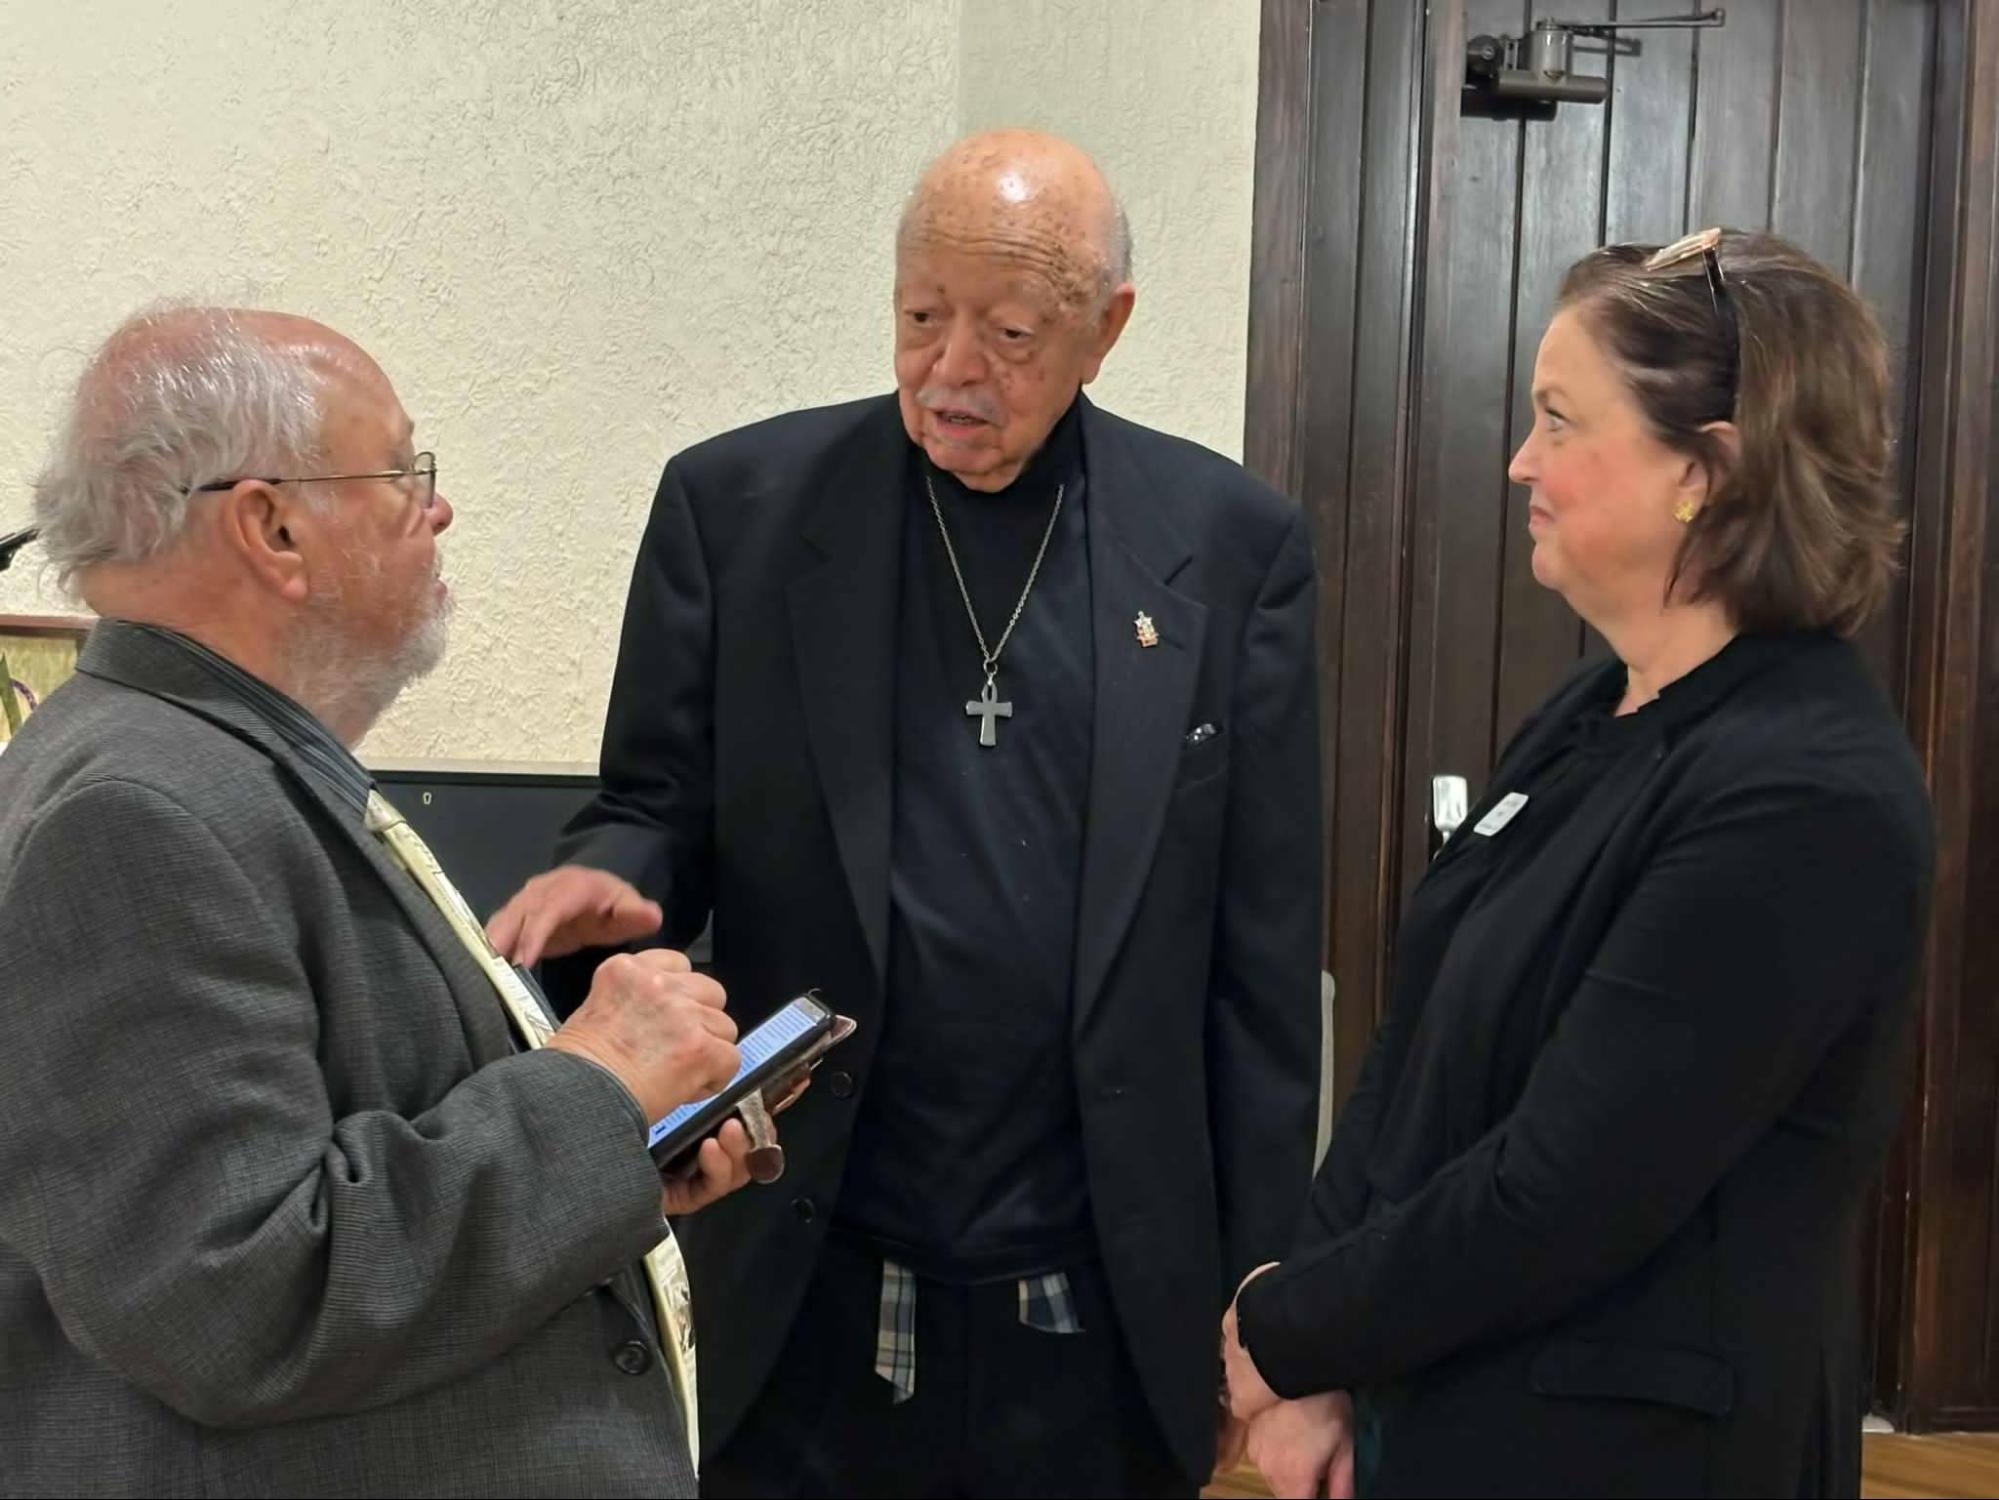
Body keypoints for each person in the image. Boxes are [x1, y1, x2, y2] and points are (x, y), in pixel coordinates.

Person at [487, 129, 1324, 1498]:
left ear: (1106, 329)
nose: (950, 371)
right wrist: (607, 874)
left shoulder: (1228, 546)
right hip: (806, 1268)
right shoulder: (736, 510)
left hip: (1101, 1296)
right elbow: (651, 805)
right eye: (921, 316)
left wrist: (1262, 1300)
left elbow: (1262, 965)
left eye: (1009, 333)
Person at [1221, 228, 1935, 1498]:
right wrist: (1313, 1345)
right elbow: (1418, 1053)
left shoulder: (1804, 795)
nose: (1520, 461)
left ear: (1705, 471)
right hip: (1446, 1403)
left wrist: (1286, 1333)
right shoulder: (1596, 707)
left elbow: (1562, 1190)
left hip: (1635, 1455)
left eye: (1558, 421)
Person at [0, 305, 757, 1498]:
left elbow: (350, 1148)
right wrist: (597, 1085)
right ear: (272, 527)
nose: (436, 510)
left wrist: (616, 1158)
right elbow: (235, 1296)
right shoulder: (138, 814)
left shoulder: (227, 767)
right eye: (404, 472)